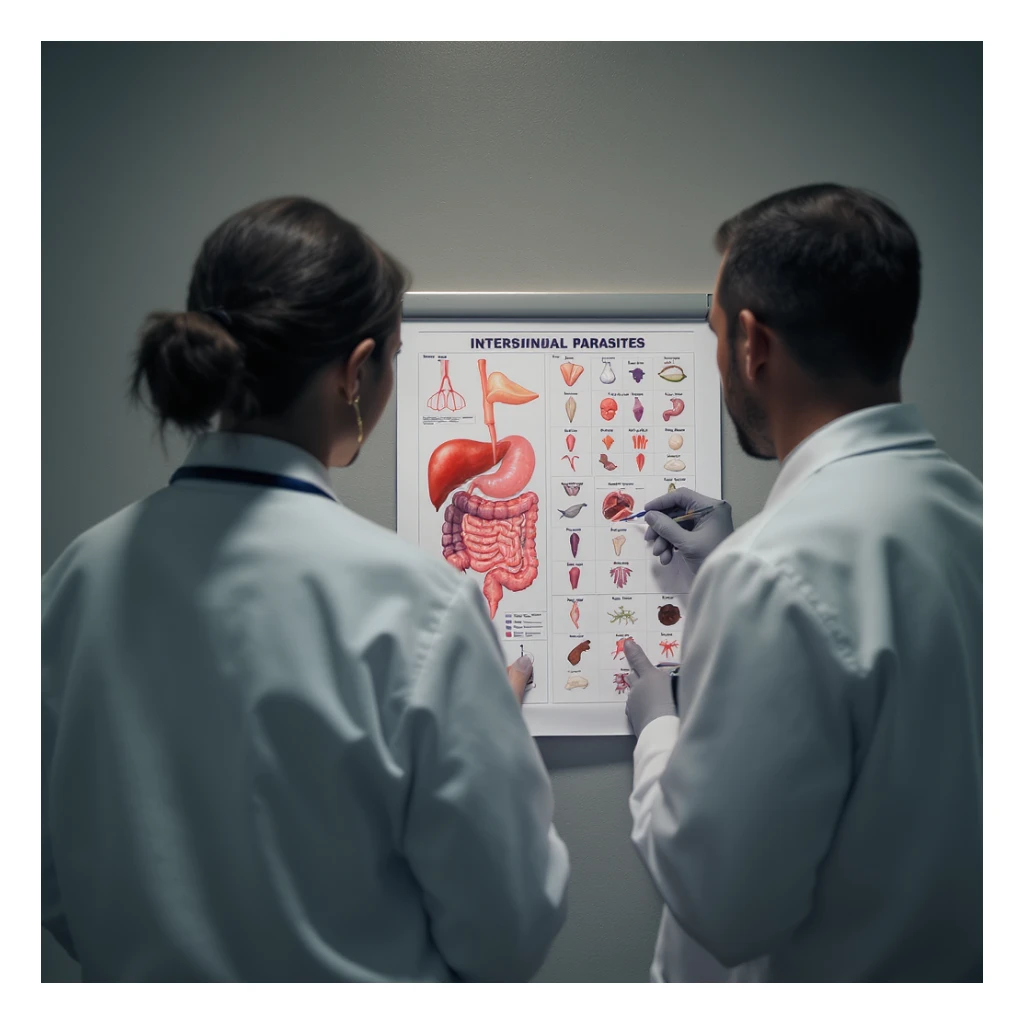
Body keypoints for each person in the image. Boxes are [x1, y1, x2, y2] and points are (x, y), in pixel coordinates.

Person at [41, 197, 570, 982]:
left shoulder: (78, 579)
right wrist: (489, 725)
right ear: (357, 372)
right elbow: (507, 933)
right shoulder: (416, 604)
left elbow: (52, 889)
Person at [622, 184, 982, 982]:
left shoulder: (771, 571)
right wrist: (734, 583)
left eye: (715, 332)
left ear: (751, 343)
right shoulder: (977, 517)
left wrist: (658, 730)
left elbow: (722, 905)